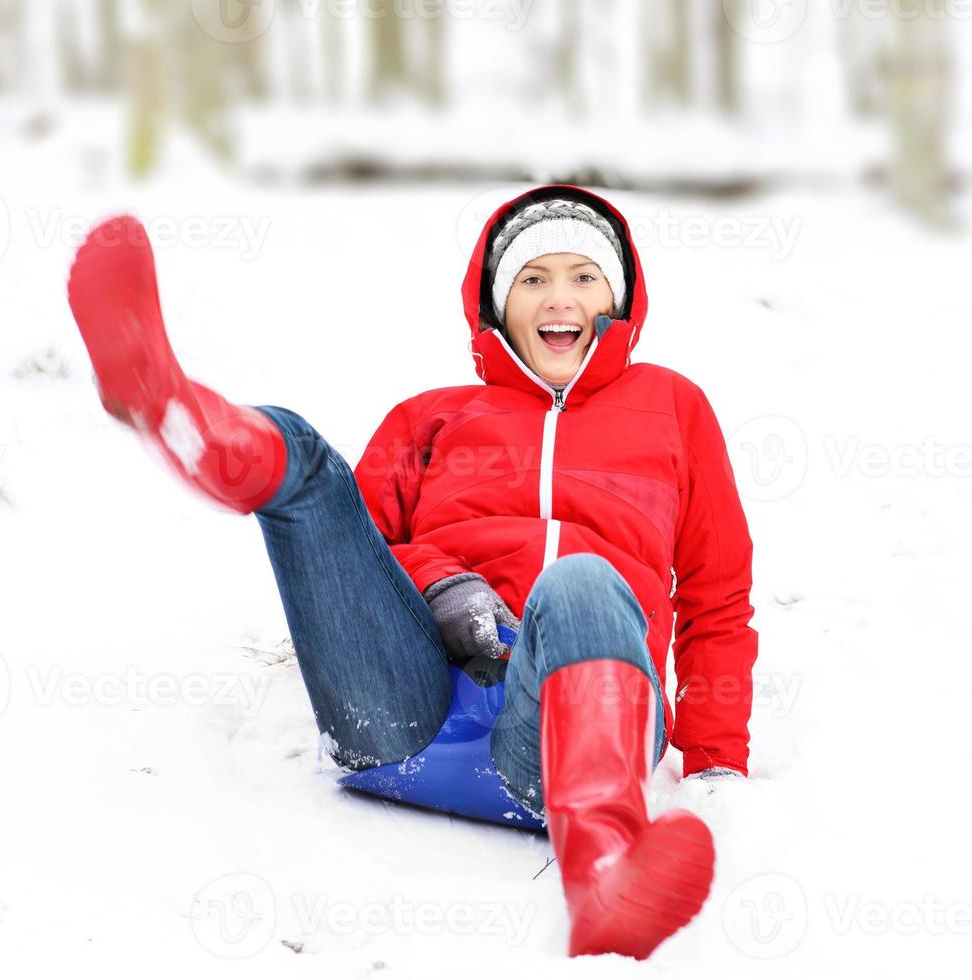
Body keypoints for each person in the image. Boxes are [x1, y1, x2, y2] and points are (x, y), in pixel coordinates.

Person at [65, 185, 758, 960]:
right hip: (402, 711)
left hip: (566, 736)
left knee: (585, 582)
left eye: (583, 276)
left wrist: (717, 760)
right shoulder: (431, 414)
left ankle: (605, 863)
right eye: (532, 279)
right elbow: (355, 554)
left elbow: (716, 596)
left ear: (620, 297)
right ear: (497, 305)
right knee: (310, 465)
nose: (559, 298)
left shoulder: (673, 408)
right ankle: (179, 417)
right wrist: (443, 583)